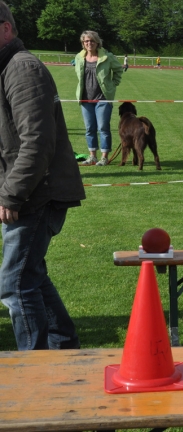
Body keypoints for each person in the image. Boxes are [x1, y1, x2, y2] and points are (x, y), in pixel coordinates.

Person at [0, 1, 86, 350]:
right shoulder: (7, 68)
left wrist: (11, 194)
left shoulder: (22, 69)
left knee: (15, 284)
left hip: (37, 194)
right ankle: (64, 347)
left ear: (5, 28)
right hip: (30, 192)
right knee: (30, 276)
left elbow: (37, 143)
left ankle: (33, 370)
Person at [75, 30, 122, 166]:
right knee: (90, 128)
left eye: (92, 41)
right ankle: (92, 156)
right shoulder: (79, 57)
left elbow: (118, 70)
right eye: (86, 41)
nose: (89, 43)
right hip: (85, 99)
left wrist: (113, 84)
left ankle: (104, 157)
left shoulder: (107, 57)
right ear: (83, 43)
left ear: (97, 42)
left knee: (103, 128)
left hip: (103, 98)